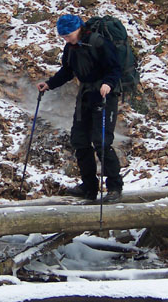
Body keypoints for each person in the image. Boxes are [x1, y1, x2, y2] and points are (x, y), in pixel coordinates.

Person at [37, 14, 124, 203]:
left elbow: (115, 68)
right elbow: (67, 71)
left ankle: (115, 187)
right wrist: (49, 84)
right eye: (63, 36)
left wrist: (108, 83)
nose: (66, 38)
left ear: (79, 28)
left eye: (68, 34)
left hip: (104, 95)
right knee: (80, 140)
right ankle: (89, 187)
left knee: (101, 142)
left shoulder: (98, 42)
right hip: (85, 95)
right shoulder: (70, 48)